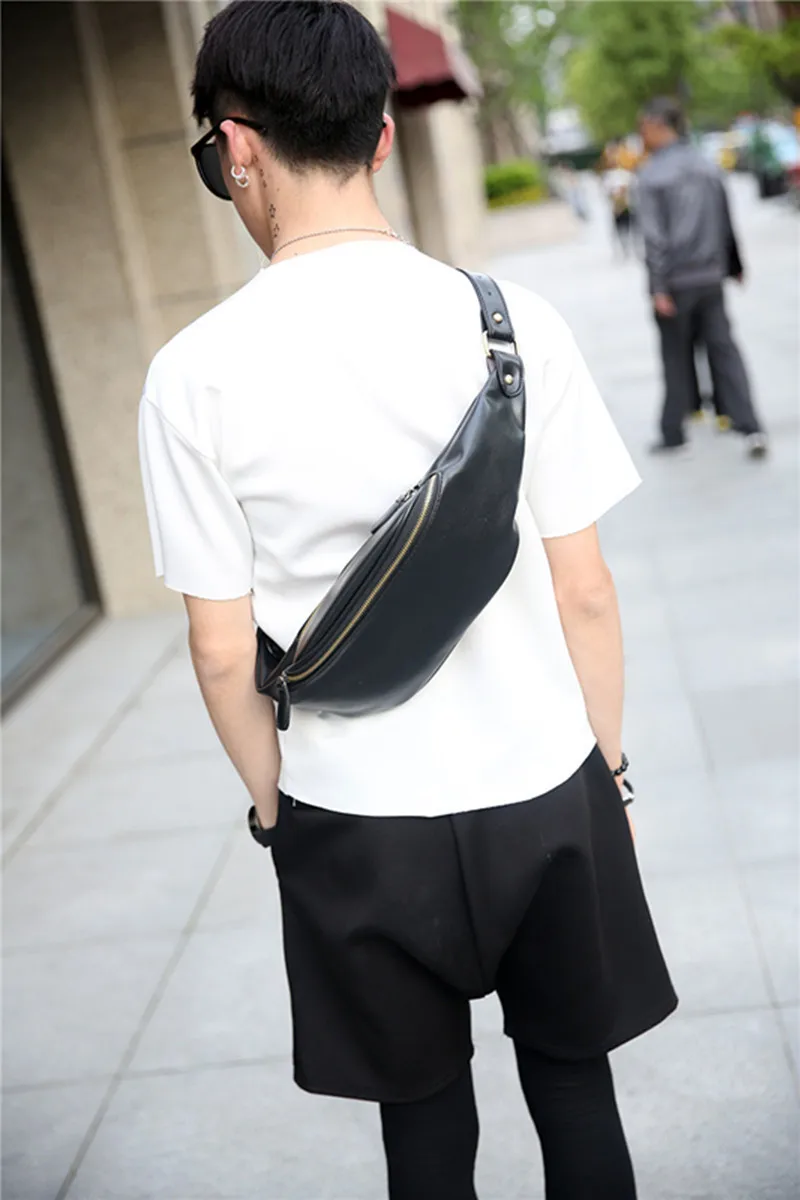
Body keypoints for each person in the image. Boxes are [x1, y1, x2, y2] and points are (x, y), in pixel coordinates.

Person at [138, 4, 677, 1197]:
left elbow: (221, 653)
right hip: (542, 788)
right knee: (575, 1095)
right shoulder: (512, 324)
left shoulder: (191, 376)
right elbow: (584, 591)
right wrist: (612, 777)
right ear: (381, 136)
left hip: (354, 813)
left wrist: (279, 814)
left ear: (236, 147)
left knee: (422, 1134)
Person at [636, 97, 767, 458]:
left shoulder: (652, 175)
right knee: (724, 350)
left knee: (675, 356)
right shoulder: (706, 165)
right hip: (710, 277)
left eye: (643, 127)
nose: (641, 135)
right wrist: (734, 265)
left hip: (676, 281)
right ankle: (750, 425)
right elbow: (725, 218)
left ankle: (673, 431)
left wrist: (658, 287)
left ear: (658, 125)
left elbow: (654, 239)